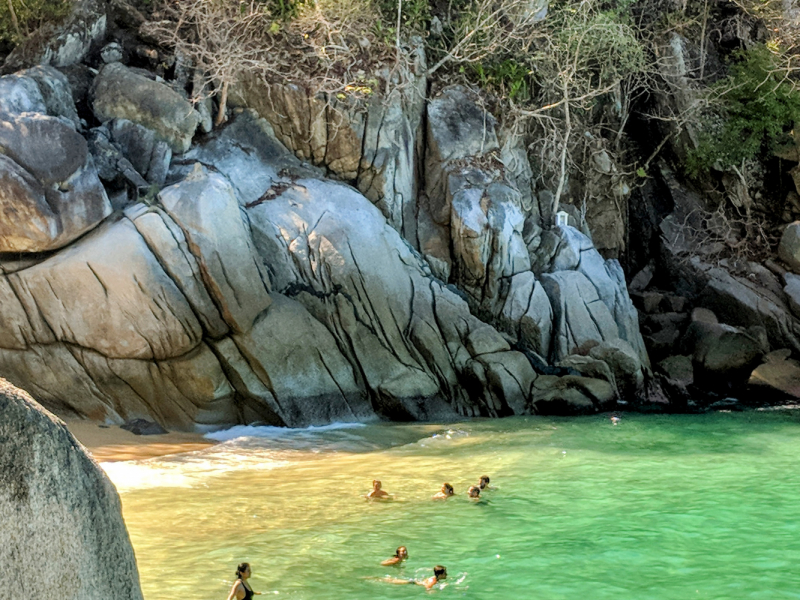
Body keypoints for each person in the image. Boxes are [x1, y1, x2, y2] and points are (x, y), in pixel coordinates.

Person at [380, 565, 448, 591]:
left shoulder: (435, 578)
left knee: (392, 580)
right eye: (445, 573)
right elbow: (427, 588)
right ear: (440, 575)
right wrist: (434, 591)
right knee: (393, 581)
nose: (446, 574)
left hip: (414, 582)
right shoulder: (433, 581)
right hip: (412, 583)